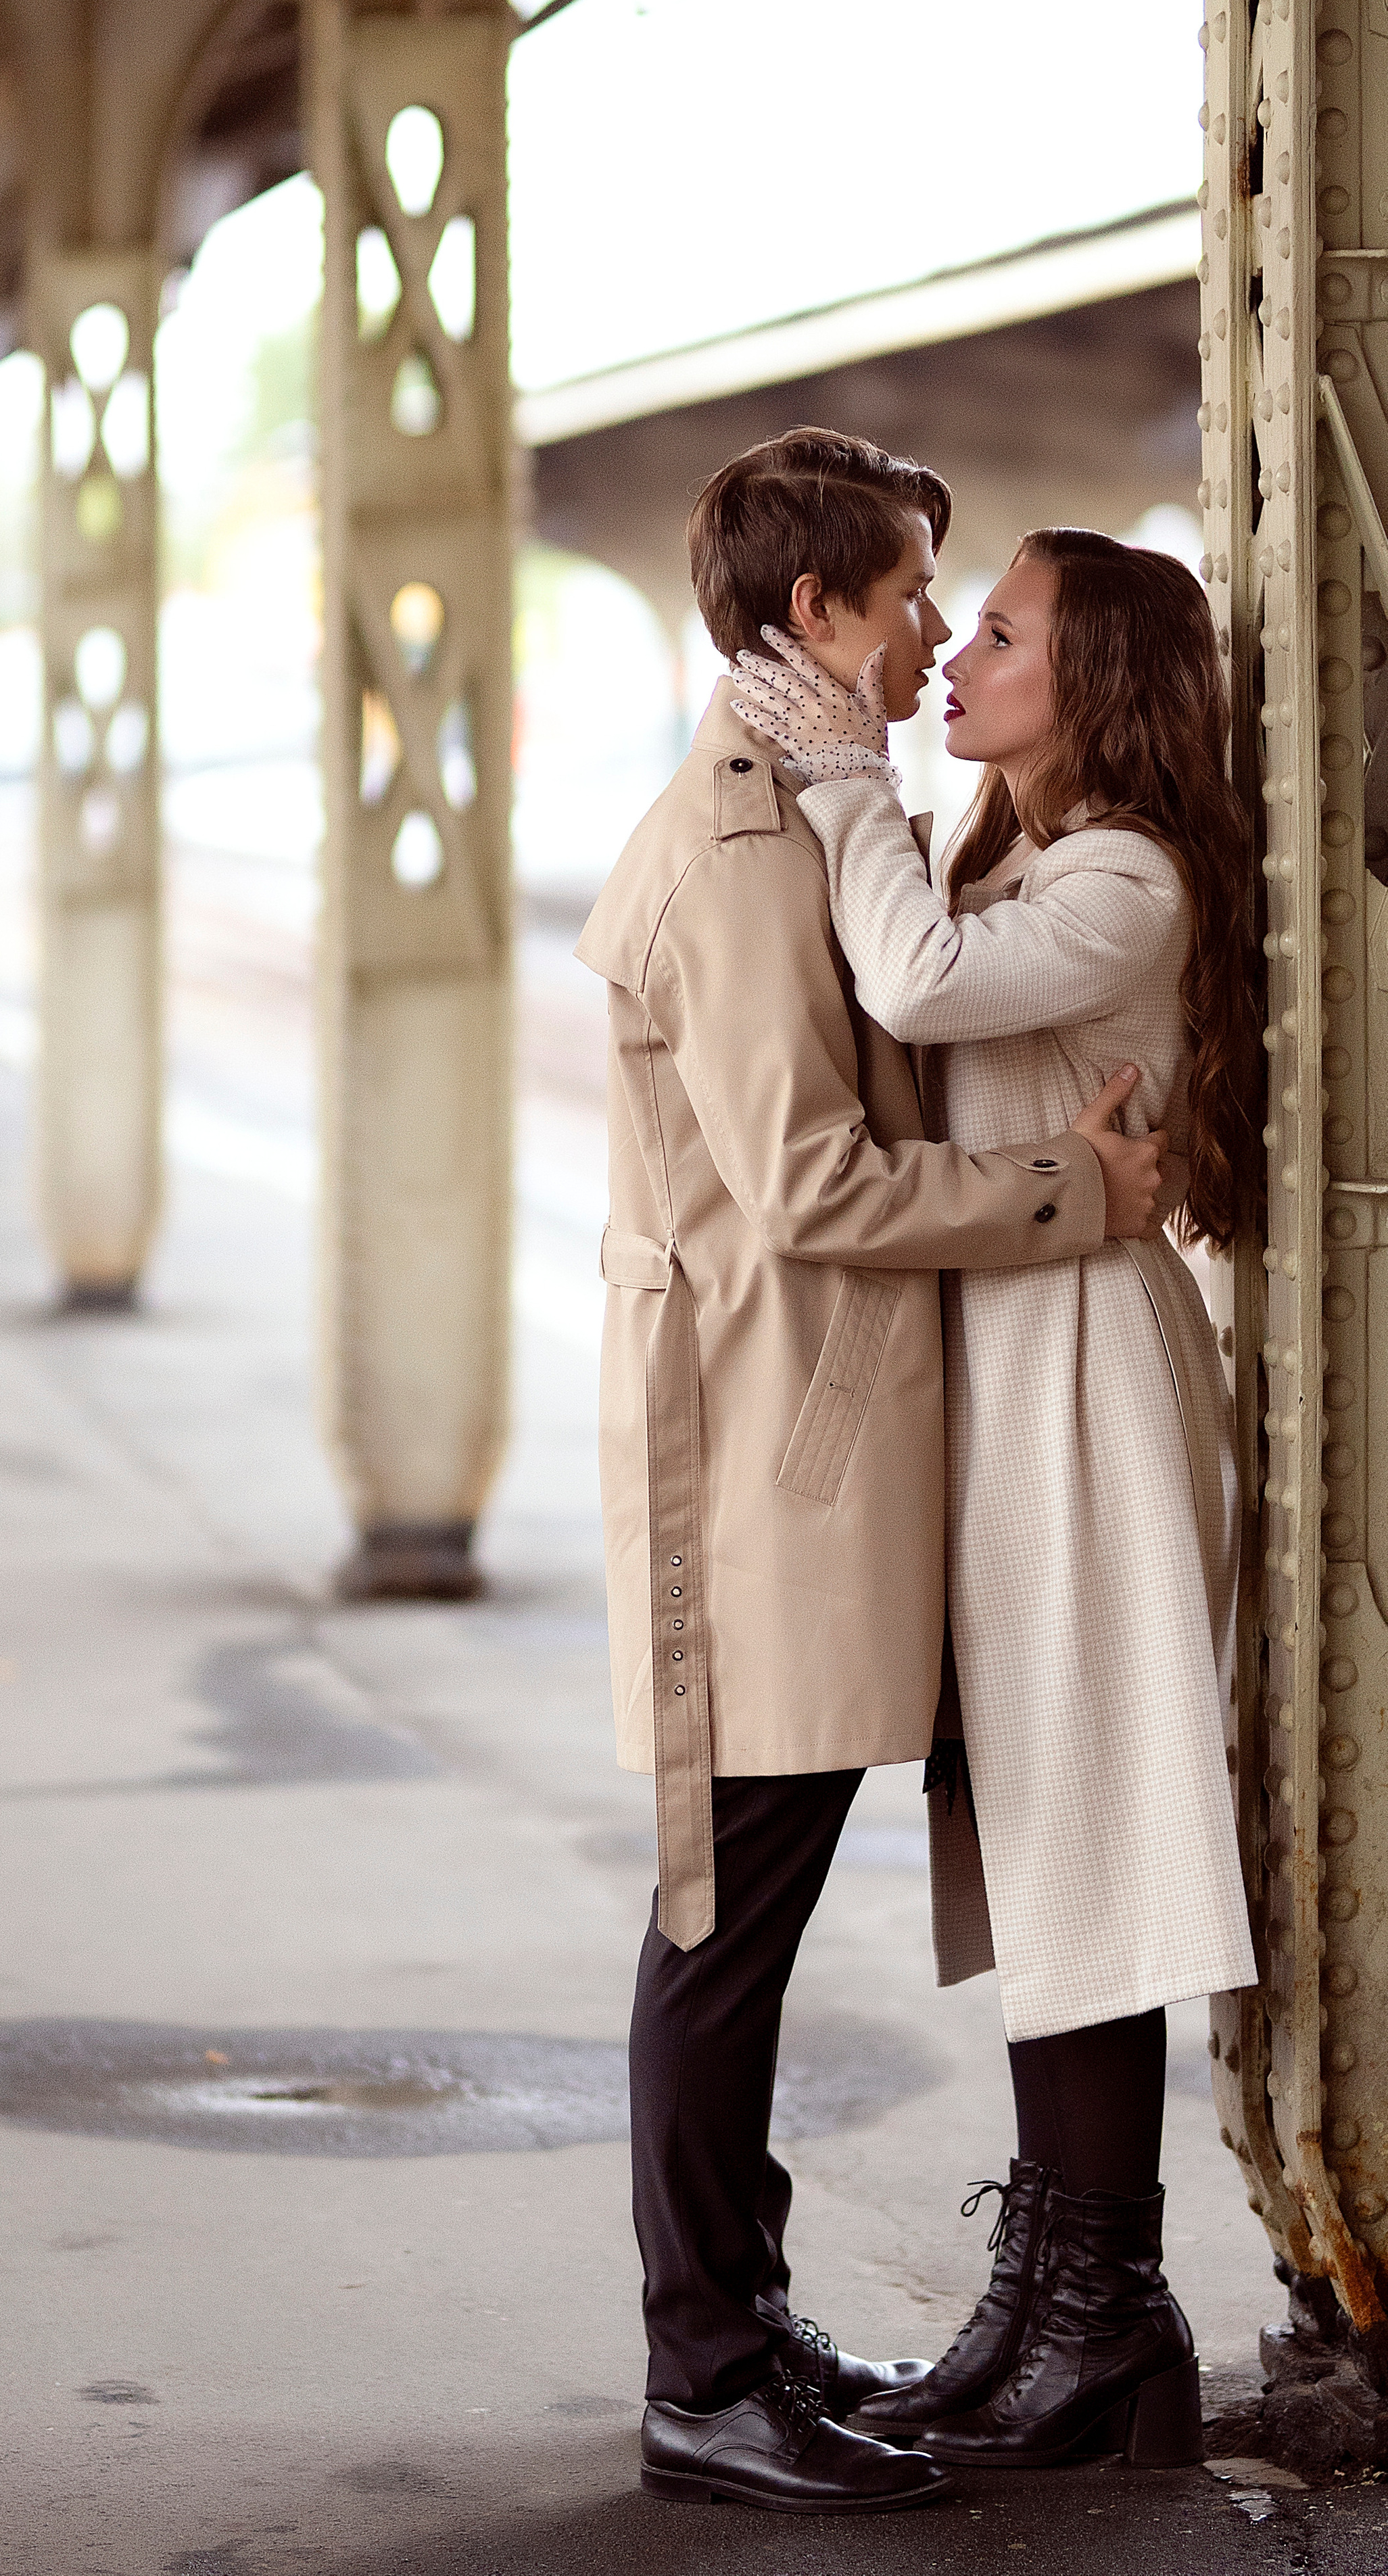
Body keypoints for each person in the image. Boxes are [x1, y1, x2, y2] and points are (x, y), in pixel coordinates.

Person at [573, 432, 1169, 2514]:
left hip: (814, 1435)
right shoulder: (753, 846)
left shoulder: (803, 808)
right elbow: (815, 1178)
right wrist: (1071, 1194)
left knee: (738, 1908)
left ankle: (744, 2338)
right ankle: (706, 2375)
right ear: (815, 612)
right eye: (917, 591)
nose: (930, 630)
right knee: (719, 1919)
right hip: (773, 1444)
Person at [731, 527, 1258, 2471]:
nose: (954, 652)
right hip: (1014, 1374)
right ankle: (1055, 2305)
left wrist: (844, 777)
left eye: (1005, 631)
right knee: (1036, 1837)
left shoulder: (1123, 875)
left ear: (1097, 676)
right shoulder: (1018, 854)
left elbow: (919, 986)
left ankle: (1107, 2324)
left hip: (1092, 1388)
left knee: (1092, 1834)